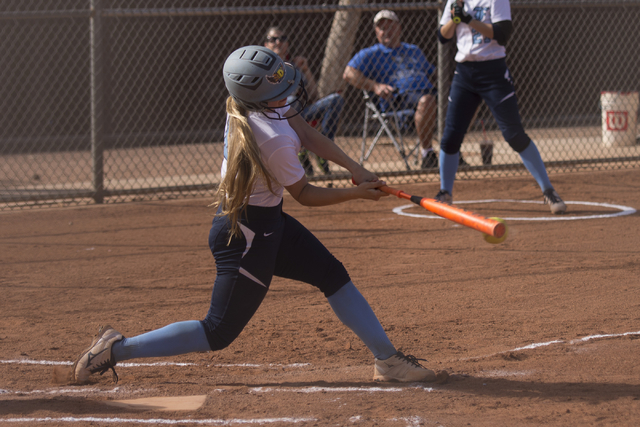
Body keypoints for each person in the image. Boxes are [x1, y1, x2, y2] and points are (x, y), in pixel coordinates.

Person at [70, 45, 447, 385]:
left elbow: (308, 133)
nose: (287, 96)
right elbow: (305, 194)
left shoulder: (256, 104)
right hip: (245, 236)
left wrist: (354, 166)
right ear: (257, 95)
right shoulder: (269, 137)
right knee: (217, 332)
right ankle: (115, 349)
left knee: (332, 275)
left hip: (269, 224)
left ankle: (388, 361)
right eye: (278, 91)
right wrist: (356, 194)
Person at [436, 0, 566, 214]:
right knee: (451, 136)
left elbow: (502, 34)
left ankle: (549, 191)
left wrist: (469, 19)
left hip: (493, 72)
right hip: (464, 74)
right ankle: (445, 192)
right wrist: (455, 18)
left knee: (514, 134)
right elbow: (443, 36)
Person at [344, 10, 466, 170]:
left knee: (466, 97)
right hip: (399, 99)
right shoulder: (371, 54)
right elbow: (348, 73)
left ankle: (452, 150)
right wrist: (375, 86)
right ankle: (427, 154)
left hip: (430, 93)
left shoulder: (413, 50)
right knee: (427, 100)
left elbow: (433, 73)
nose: (386, 30)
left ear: (399, 28)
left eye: (390, 26)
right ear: (376, 32)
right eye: (381, 28)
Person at [264, 26, 345, 177]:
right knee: (292, 100)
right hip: (277, 117)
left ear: (287, 44)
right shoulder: (263, 68)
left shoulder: (293, 67)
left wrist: (306, 69)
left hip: (300, 112)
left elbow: (314, 96)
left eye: (282, 39)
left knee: (336, 100)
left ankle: (323, 147)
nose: (278, 42)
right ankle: (302, 148)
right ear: (265, 45)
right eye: (273, 39)